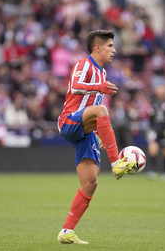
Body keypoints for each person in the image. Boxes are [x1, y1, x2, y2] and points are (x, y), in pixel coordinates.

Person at [56, 30, 136, 244]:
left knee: (90, 182)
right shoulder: (84, 65)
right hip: (69, 121)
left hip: (85, 130)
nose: (114, 50)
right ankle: (117, 162)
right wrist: (97, 88)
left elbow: (94, 109)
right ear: (97, 48)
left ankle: (66, 232)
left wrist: (101, 130)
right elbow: (74, 87)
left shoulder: (101, 73)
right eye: (110, 45)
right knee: (101, 109)